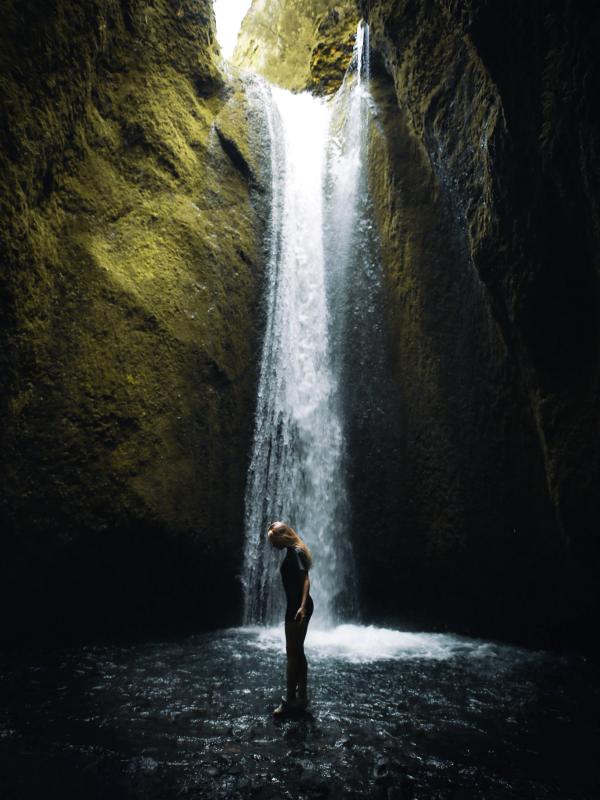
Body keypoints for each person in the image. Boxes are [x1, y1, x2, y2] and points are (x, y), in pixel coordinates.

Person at [267, 521, 314, 716]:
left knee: (291, 654)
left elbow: (305, 579)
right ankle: (301, 694)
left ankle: (289, 700)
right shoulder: (294, 550)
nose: (272, 544)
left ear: (282, 536)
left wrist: (302, 607)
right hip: (297, 606)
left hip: (298, 608)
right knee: (297, 651)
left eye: (273, 540)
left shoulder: (295, 551)